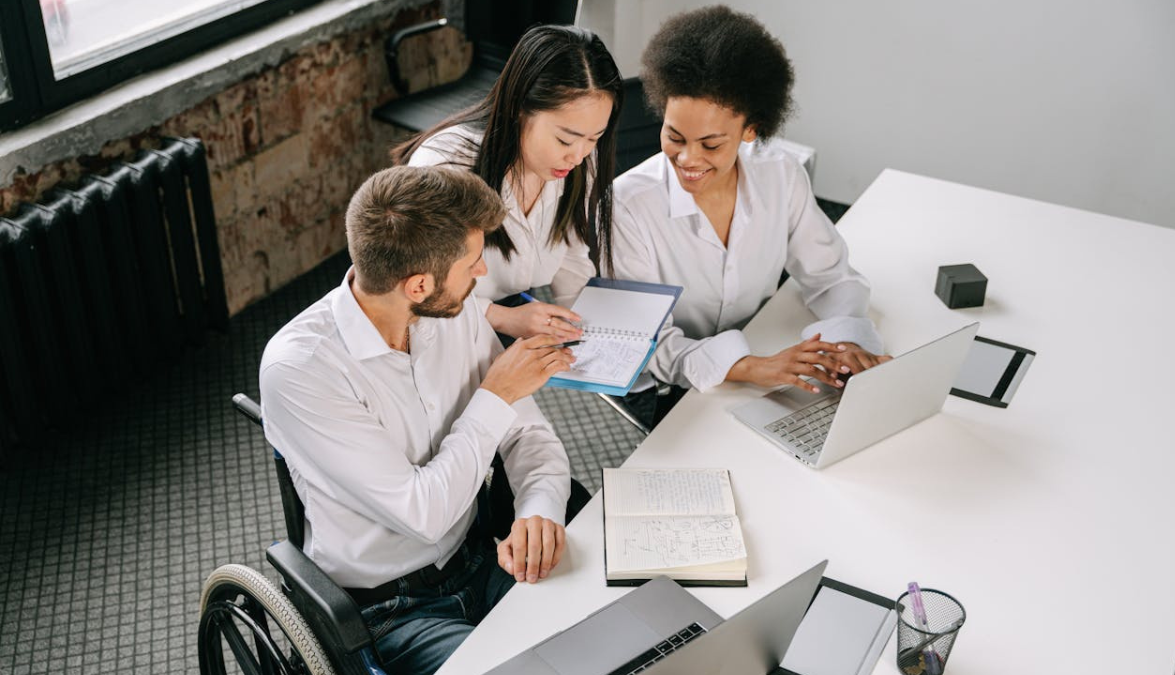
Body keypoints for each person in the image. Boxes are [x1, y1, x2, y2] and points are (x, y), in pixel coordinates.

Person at [259, 166, 577, 675]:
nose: (480, 276)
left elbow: (527, 434)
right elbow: (422, 514)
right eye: (472, 264)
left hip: (480, 559)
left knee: (602, 634)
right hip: (388, 609)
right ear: (419, 284)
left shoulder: (457, 313)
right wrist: (495, 395)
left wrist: (538, 508)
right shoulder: (299, 369)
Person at [610, 5, 891, 427]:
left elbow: (831, 276)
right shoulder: (628, 206)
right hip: (680, 386)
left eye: (710, 144)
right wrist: (748, 366)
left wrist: (845, 340)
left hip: (768, 355)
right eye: (674, 136)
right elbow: (643, 342)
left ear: (750, 130)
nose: (688, 159)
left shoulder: (781, 175)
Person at [392, 24, 623, 344]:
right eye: (564, 139)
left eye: (594, 138)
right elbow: (413, 293)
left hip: (513, 319)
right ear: (518, 107)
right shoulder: (445, 169)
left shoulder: (581, 163)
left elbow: (571, 258)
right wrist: (502, 318)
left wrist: (585, 328)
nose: (579, 156)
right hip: (433, 330)